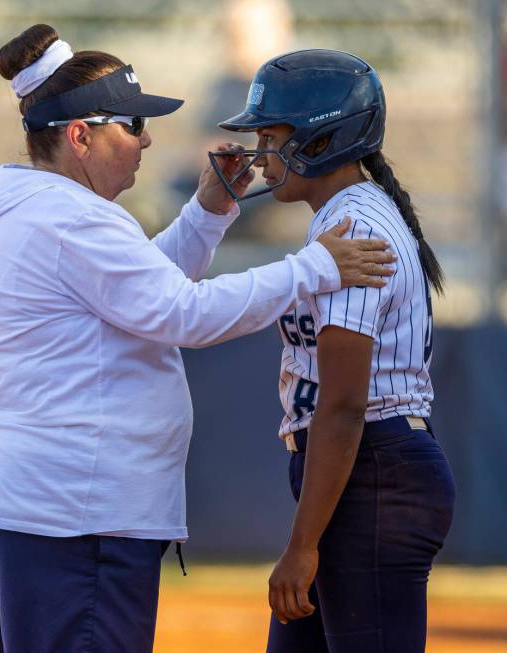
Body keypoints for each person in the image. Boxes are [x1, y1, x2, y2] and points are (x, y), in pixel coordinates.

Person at [0, 26, 395, 653]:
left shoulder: (34, 210)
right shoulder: (71, 219)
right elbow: (180, 313)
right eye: (132, 124)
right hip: (76, 518)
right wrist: (314, 268)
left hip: (30, 507)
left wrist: (208, 211)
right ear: (80, 134)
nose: (147, 138)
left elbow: (136, 295)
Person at [214, 49, 456, 653]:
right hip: (361, 470)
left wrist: (302, 546)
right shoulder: (345, 214)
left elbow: (345, 404)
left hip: (373, 470)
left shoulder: (356, 226)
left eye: (272, 136)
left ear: (322, 139)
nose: (262, 154)